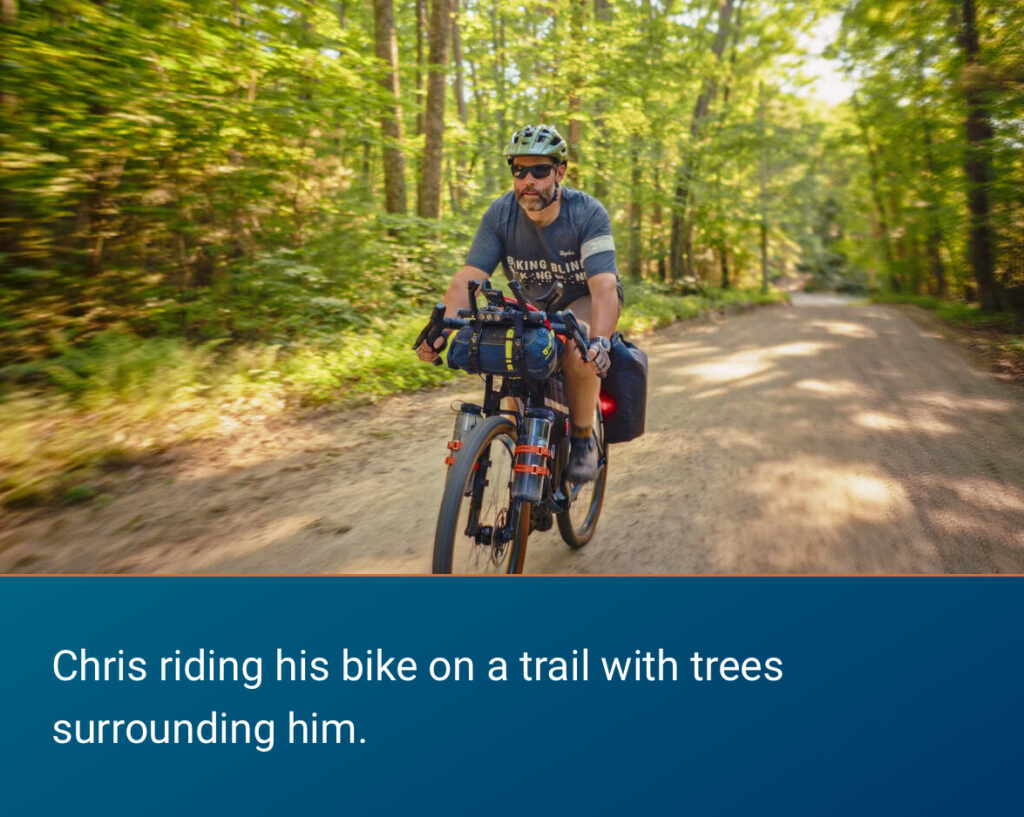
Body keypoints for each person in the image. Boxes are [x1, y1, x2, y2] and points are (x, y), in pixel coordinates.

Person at [417, 123, 623, 482]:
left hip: (583, 299)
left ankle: (582, 438)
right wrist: (440, 329)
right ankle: (523, 451)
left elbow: (604, 285)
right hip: (532, 305)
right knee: (509, 359)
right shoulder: (500, 214)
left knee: (580, 349)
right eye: (519, 170)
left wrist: (600, 341)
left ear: (560, 172)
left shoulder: (588, 213)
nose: (528, 179)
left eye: (540, 170)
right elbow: (470, 275)